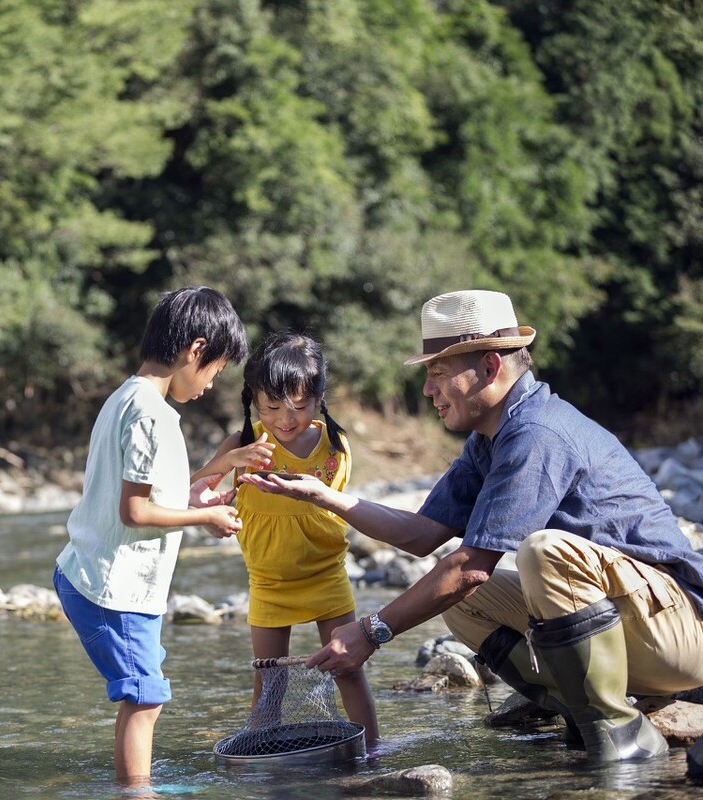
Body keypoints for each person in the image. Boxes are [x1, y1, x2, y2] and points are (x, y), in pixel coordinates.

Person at [241, 289, 703, 762]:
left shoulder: (537, 433)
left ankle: (618, 732)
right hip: (635, 630)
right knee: (462, 602)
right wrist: (324, 496)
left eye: (438, 373)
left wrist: (372, 630)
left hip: (679, 634)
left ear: (489, 367)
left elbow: (472, 565)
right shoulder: (490, 438)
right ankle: (577, 708)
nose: (427, 390)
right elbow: (422, 535)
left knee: (542, 554)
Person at [53, 285, 249, 787]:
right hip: (113, 588)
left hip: (98, 572)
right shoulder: (151, 415)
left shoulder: (127, 397)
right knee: (145, 696)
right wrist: (203, 520)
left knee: (145, 690)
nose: (210, 385)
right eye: (215, 371)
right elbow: (136, 510)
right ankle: (136, 794)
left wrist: (209, 481)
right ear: (195, 350)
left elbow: (152, 494)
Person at [192, 330, 379, 745]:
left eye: (299, 406)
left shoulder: (334, 446)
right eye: (272, 406)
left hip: (326, 575)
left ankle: (371, 750)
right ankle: (264, 756)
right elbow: (192, 494)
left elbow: (326, 510)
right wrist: (223, 478)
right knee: (268, 681)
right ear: (253, 401)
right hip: (268, 581)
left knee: (347, 669)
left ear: (319, 398)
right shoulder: (244, 442)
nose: (285, 419)